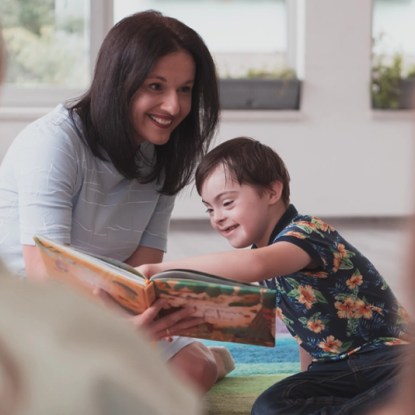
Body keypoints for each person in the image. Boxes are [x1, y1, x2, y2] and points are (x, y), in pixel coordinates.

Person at [0, 10, 233, 392]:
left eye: (185, 89)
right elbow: (46, 275)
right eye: (155, 86)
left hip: (107, 306)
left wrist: (136, 319)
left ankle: (202, 357)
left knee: (194, 371)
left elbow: (143, 265)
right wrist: (116, 333)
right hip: (35, 310)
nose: (173, 107)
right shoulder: (54, 142)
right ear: (117, 82)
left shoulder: (163, 155)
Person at [136, 136, 413, 414]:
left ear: (272, 192)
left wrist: (160, 269)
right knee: (269, 407)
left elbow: (256, 265)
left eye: (227, 203)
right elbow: (307, 332)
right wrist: (308, 378)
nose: (217, 217)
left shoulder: (306, 233)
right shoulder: (265, 253)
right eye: (210, 208)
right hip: (337, 371)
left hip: (389, 359)